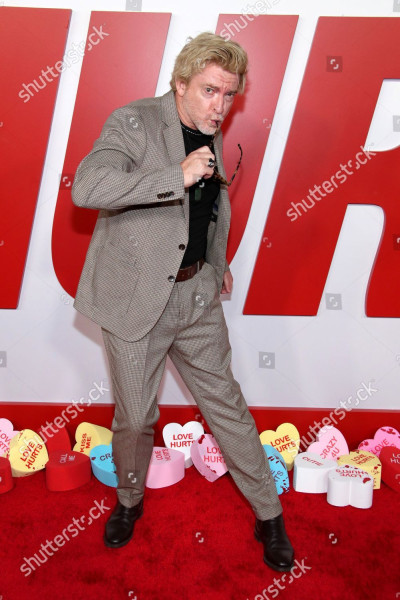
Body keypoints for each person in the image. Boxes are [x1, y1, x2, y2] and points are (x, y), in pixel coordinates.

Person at [72, 32, 294, 572]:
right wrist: (176, 175)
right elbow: (87, 187)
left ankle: (270, 515)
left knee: (229, 408)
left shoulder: (212, 132)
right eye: (210, 91)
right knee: (135, 417)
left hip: (195, 297)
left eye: (229, 96)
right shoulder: (134, 121)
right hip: (134, 300)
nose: (220, 106)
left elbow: (212, 208)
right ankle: (129, 501)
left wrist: (216, 265)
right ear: (179, 83)